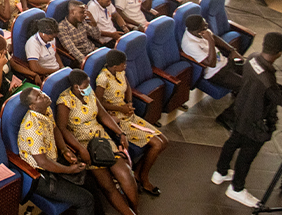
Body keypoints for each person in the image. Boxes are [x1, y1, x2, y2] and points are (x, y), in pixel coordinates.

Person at [215, 32, 282, 207]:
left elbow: (261, 86)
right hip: (256, 122)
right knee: (246, 155)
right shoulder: (268, 77)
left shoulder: (252, 58)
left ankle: (220, 172)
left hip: (242, 112)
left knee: (233, 141)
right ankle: (236, 189)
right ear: (279, 53)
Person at [55, 69, 139, 215]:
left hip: (102, 139)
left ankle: (135, 210)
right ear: (76, 87)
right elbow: (62, 129)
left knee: (126, 174)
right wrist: (81, 149)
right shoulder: (64, 101)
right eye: (85, 86)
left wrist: (120, 133)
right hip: (84, 144)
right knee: (108, 186)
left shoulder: (90, 93)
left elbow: (103, 115)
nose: (89, 88)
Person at [96, 50, 168, 196]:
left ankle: (138, 173)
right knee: (157, 144)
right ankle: (144, 178)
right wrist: (119, 108)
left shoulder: (120, 72)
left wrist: (128, 102)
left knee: (164, 141)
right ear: (114, 66)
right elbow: (98, 103)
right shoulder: (103, 78)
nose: (125, 66)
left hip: (128, 113)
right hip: (118, 119)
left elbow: (127, 86)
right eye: (123, 64)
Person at [16, 88, 95, 215]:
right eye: (38, 97)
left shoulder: (46, 110)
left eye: (41, 93)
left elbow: (55, 128)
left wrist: (64, 150)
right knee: (86, 200)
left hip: (54, 159)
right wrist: (69, 170)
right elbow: (43, 163)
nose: (44, 96)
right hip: (41, 175)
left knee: (90, 179)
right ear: (33, 106)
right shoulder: (32, 128)